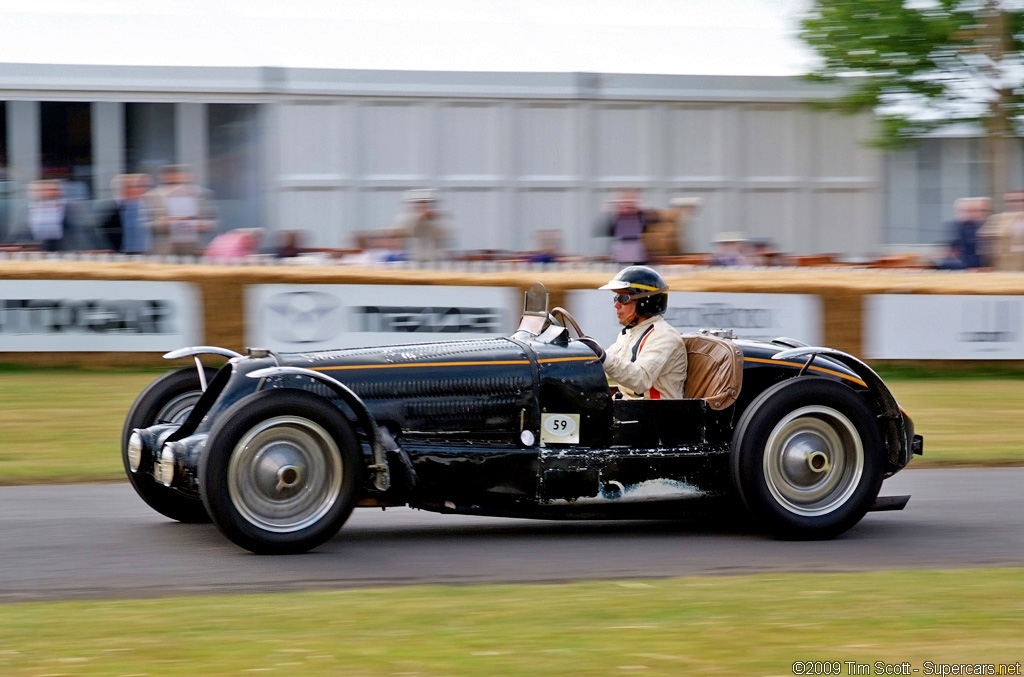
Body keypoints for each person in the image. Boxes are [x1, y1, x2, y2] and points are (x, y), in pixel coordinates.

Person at [577, 266, 688, 400]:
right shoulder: (630, 333)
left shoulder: (664, 336)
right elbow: (605, 367)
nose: (616, 304)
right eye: (616, 297)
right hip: (630, 410)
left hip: (654, 416)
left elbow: (641, 380)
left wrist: (603, 357)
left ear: (645, 301)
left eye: (623, 298)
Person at [146, 164, 217, 256]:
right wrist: (167, 222)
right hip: (164, 252)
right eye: (172, 183)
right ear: (163, 179)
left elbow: (213, 222)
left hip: (195, 250)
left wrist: (199, 224)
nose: (177, 187)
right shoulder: (152, 196)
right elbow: (146, 225)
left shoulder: (202, 194)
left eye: (181, 182)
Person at [600, 189, 658, 265]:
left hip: (635, 246)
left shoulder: (640, 215)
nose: (627, 208)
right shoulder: (617, 217)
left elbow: (652, 221)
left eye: (630, 205)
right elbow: (609, 231)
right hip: (622, 246)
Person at [97, 173, 152, 254]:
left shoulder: (145, 206)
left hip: (144, 252)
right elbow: (103, 232)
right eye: (129, 187)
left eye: (135, 186)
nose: (135, 189)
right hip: (122, 253)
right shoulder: (111, 209)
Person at [393, 189, 450, 263]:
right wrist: (418, 218)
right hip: (412, 259)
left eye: (426, 203)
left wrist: (433, 220)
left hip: (434, 259)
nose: (423, 206)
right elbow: (398, 234)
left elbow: (443, 237)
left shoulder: (438, 218)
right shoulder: (403, 218)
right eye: (419, 203)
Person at [978, 191, 1024, 271]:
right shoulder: (997, 219)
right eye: (1012, 201)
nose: (1018, 204)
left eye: (1021, 200)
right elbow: (984, 243)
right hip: (1005, 267)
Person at [26, 179, 70, 252]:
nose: (49, 192)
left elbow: (82, 237)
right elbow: (18, 237)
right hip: (32, 256)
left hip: (66, 255)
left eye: (54, 189)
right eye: (44, 190)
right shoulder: (24, 210)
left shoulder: (71, 209)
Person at [948, 197, 987, 269]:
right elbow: (954, 249)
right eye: (969, 211)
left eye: (975, 211)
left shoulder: (984, 226)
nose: (972, 214)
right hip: (965, 266)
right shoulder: (957, 227)